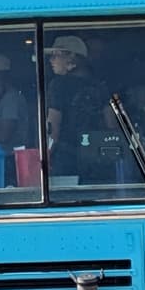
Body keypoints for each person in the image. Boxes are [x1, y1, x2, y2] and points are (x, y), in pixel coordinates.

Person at [43, 34, 104, 180]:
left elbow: (52, 129)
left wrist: (44, 158)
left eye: (55, 55)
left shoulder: (58, 85)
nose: (51, 60)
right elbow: (111, 125)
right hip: (96, 160)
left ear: (71, 57)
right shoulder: (100, 87)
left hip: (66, 160)